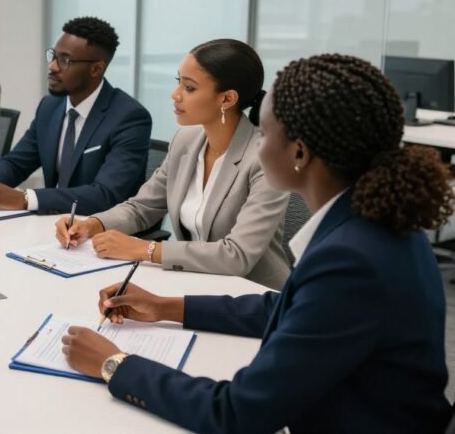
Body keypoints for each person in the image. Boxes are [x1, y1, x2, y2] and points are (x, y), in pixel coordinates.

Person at [60, 54, 453, 433]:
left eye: (265, 133)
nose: (256, 145)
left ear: (299, 152)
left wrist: (115, 365)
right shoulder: (373, 222)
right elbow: (290, 307)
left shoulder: (351, 258)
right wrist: (166, 306)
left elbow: (237, 414)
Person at [55, 39, 291, 288]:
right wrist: (91, 225)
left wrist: (147, 250)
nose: (175, 94)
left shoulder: (267, 160)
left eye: (189, 88)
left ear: (227, 99)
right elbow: (141, 208)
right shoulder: (185, 141)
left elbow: (237, 255)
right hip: (195, 283)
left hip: (255, 296)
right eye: (178, 82)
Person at [0, 16, 151, 215]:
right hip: (49, 222)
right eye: (53, 55)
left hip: (99, 231)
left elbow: (105, 195)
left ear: (96, 69)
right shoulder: (50, 107)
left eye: (65, 60)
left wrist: (25, 198)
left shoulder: (129, 117)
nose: (52, 66)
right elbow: (16, 163)